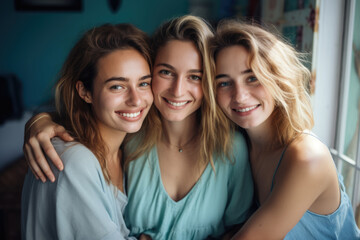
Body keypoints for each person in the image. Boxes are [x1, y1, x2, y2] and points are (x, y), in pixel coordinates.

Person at [22, 16, 254, 240]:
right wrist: (39, 120)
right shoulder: (129, 138)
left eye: (195, 76)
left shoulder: (231, 148)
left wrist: (38, 120)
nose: (177, 90)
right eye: (166, 72)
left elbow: (241, 230)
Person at [209, 19, 360, 239]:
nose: (240, 96)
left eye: (252, 78)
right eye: (224, 83)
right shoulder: (240, 145)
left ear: (278, 79)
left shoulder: (307, 157)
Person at [21, 23, 153, 239]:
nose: (136, 100)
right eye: (117, 86)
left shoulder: (128, 148)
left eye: (144, 83)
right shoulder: (74, 162)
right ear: (85, 92)